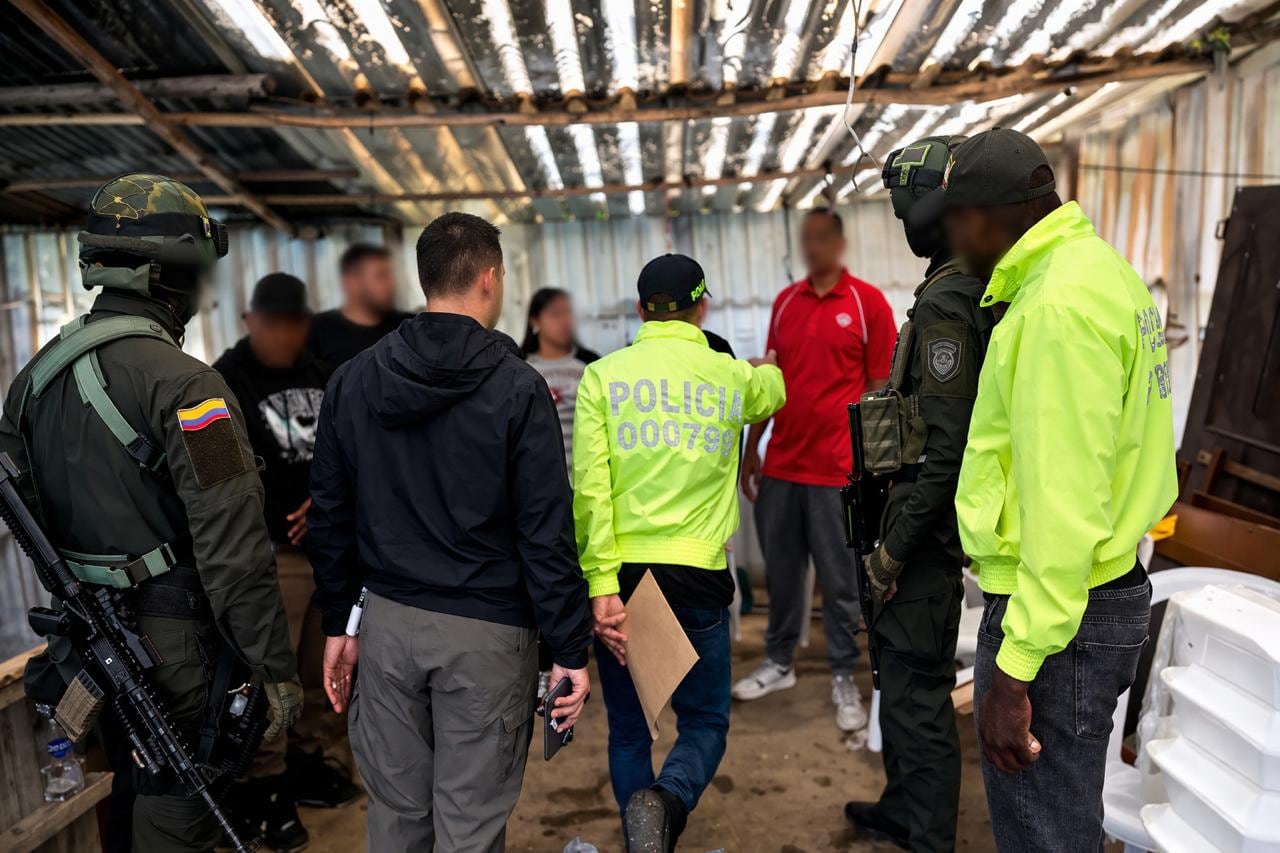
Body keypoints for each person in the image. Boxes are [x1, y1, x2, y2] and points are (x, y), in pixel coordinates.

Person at [0, 174, 301, 852]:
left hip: (88, 638)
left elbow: (30, 517)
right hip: (177, 646)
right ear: (173, 276)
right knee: (178, 800)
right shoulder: (189, 385)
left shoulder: (32, 383)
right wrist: (273, 669)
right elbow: (234, 548)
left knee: (132, 785)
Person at [308, 212, 592, 851]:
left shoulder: (352, 381)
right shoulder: (520, 390)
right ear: (490, 279)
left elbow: (330, 514)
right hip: (488, 634)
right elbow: (545, 530)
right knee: (469, 826)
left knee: (397, 817)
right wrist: (569, 650)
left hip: (385, 624)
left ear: (424, 277)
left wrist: (339, 624)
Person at [935, 129, 1176, 851]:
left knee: (1046, 830)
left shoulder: (1053, 309)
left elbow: (1064, 509)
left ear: (987, 215)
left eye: (955, 221)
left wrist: (1013, 669)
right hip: (1096, 591)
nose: (952, 240)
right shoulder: (1102, 273)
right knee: (1066, 814)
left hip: (1059, 617)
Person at [574, 254, 786, 850]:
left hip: (623, 576)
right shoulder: (728, 376)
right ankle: (666, 803)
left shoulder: (603, 378)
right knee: (705, 721)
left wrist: (600, 586)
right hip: (696, 575)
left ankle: (643, 837)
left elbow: (589, 492)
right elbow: (773, 388)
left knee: (628, 730)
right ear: (703, 306)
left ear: (641, 310)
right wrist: (758, 365)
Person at [842, 136, 994, 852]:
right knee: (897, 686)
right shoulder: (946, 283)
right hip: (910, 521)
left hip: (922, 535)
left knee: (920, 696)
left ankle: (929, 835)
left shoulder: (950, 299)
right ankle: (904, 805)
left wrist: (892, 553)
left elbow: (944, 448)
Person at [734, 208, 897, 732]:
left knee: (841, 583)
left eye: (821, 237)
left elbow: (880, 391)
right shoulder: (785, 302)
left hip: (838, 474)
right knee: (783, 577)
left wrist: (875, 471)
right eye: (805, 239)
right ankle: (778, 663)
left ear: (839, 242)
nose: (812, 247)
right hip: (783, 466)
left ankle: (842, 676)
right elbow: (770, 380)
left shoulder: (866, 302)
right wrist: (752, 446)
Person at [213, 273, 357, 852]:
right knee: (267, 678)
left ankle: (301, 764)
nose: (282, 336)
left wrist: (325, 501)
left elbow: (353, 452)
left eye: (293, 324)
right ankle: (260, 787)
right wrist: (281, 512)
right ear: (250, 322)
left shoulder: (323, 374)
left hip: (329, 554)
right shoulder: (225, 378)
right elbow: (217, 473)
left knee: (319, 675)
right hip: (269, 556)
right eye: (270, 324)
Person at [521, 287, 601, 472]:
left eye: (568, 313)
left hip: (587, 473)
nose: (565, 321)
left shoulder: (591, 363)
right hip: (541, 476)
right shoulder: (520, 366)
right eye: (555, 314)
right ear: (535, 320)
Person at [306, 243, 412, 368]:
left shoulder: (407, 326)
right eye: (381, 276)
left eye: (390, 276)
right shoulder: (317, 329)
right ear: (352, 282)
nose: (391, 284)